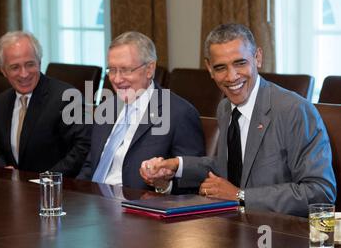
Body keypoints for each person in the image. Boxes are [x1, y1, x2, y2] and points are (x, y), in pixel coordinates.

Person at [140, 23, 336, 216]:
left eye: (240, 63)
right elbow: (235, 167)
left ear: (257, 57)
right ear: (209, 68)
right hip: (234, 227)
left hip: (281, 236)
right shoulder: (225, 108)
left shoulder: (294, 110)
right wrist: (175, 167)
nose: (231, 76)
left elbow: (320, 192)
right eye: (220, 68)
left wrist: (240, 196)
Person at [77, 31, 205, 193]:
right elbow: (91, 165)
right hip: (92, 204)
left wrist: (163, 184)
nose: (116, 79)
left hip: (137, 209)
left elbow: (193, 181)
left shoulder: (179, 113)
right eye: (112, 70)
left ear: (149, 69)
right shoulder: (106, 108)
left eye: (125, 70)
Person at [0, 31, 90, 176]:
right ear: (3, 71)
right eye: (15, 67)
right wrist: (2, 169)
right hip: (12, 190)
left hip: (57, 189)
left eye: (30, 64)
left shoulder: (67, 97)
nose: (24, 74)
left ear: (39, 62)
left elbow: (82, 147)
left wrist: (48, 178)